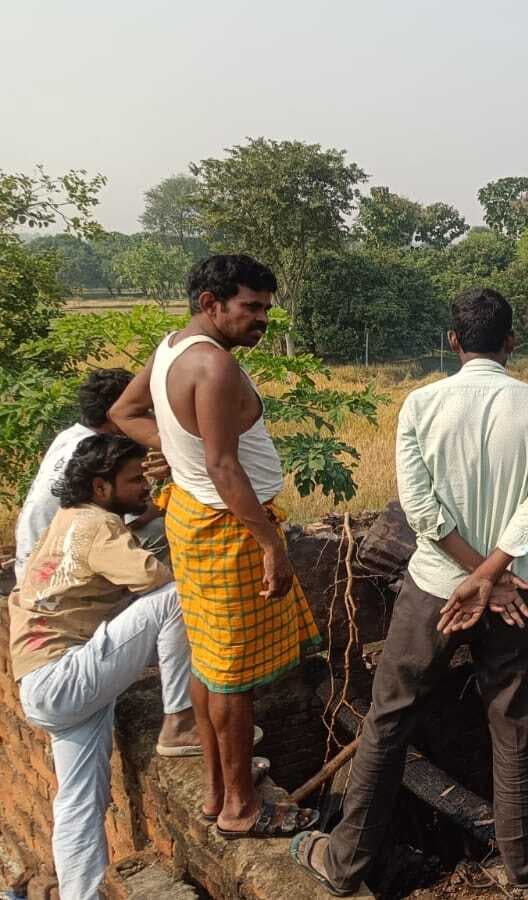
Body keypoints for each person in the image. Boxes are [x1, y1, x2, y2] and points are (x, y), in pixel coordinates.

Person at [290, 288, 528, 895]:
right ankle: (526, 862)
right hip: (514, 593)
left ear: (453, 342)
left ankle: (345, 864)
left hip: (434, 591)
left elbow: (421, 510)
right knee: (512, 720)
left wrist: (473, 578)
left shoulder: (420, 404)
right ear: (511, 342)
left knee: (388, 720)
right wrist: (493, 577)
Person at [108, 254, 321, 838]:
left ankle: (216, 789)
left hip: (192, 518)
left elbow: (124, 411)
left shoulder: (171, 348)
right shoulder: (213, 366)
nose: (263, 319)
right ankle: (240, 809)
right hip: (227, 529)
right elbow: (224, 466)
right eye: (251, 307)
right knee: (233, 674)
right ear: (212, 304)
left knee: (208, 658)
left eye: (267, 308)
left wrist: (174, 453)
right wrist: (270, 543)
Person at [9, 435, 201, 900]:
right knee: (175, 598)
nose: (144, 488)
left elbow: (115, 550)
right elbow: (153, 579)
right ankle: (180, 721)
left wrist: (150, 515)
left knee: (79, 802)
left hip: (41, 685)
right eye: (134, 480)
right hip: (65, 675)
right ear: (100, 487)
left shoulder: (71, 520)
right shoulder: (98, 527)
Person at [13, 369, 167, 580]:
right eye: (140, 410)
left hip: (31, 563)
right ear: (115, 413)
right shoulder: (104, 453)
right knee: (161, 526)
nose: (148, 417)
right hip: (56, 571)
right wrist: (169, 499)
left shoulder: (70, 437)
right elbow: (135, 519)